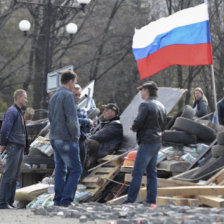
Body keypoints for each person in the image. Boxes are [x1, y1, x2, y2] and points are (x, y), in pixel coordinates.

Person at [124, 81, 166, 208]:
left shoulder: (145, 105)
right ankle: (151, 200)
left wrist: (133, 127)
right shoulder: (161, 105)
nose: (140, 92)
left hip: (147, 141)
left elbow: (139, 121)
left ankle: (130, 201)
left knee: (137, 172)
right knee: (152, 173)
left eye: (141, 90)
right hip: (157, 142)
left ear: (146, 90)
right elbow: (164, 126)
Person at [49, 70, 82, 207]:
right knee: (76, 169)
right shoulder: (68, 96)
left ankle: (58, 200)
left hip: (54, 137)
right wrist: (76, 136)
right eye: (74, 83)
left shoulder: (54, 97)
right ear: (70, 82)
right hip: (66, 138)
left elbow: (50, 119)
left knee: (60, 169)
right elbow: (72, 119)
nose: (74, 85)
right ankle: (67, 200)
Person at [0, 89, 28, 209]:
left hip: (19, 146)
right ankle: (2, 202)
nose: (26, 100)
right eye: (25, 97)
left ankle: (10, 201)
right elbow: (5, 129)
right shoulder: (12, 111)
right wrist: (2, 144)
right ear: (18, 97)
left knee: (15, 175)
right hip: (13, 146)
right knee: (9, 174)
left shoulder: (19, 112)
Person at [85, 103, 123, 170]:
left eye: (106, 110)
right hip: (96, 149)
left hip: (102, 151)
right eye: (104, 110)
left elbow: (99, 136)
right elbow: (92, 133)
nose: (104, 112)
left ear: (113, 112)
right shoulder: (106, 124)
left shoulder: (116, 125)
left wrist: (84, 139)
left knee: (83, 142)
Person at [72, 84, 94, 169]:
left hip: (82, 141)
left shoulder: (82, 111)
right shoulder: (67, 108)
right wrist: (87, 121)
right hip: (71, 141)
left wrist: (84, 123)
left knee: (79, 167)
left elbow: (88, 128)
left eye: (79, 95)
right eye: (75, 95)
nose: (77, 97)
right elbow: (72, 121)